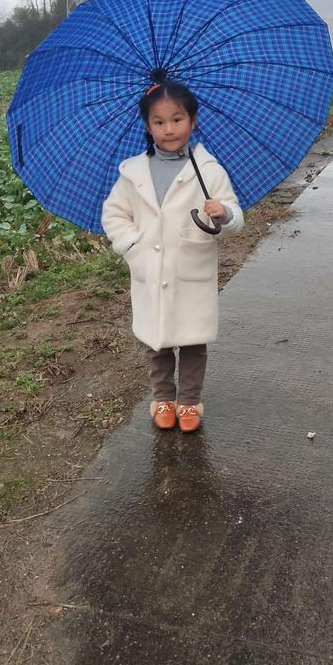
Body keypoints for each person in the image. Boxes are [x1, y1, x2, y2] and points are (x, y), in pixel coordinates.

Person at [101, 80, 244, 433]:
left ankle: (190, 401)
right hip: (149, 270)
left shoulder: (208, 170)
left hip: (191, 269)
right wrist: (132, 246)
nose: (169, 129)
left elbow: (236, 218)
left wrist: (223, 213)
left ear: (193, 121)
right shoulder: (132, 173)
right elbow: (113, 215)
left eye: (177, 119)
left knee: (193, 340)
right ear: (148, 127)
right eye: (159, 122)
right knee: (157, 340)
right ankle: (163, 396)